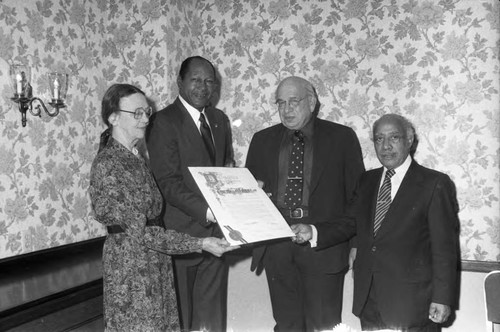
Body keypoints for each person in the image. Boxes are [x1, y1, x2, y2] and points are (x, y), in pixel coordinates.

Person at [292, 114, 460, 331]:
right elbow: (349, 222)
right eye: (379, 139)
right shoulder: (367, 180)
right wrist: (312, 231)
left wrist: (442, 297)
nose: (386, 146)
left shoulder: (434, 183)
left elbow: (444, 248)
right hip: (369, 300)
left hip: (413, 304)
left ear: (410, 140)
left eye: (394, 137)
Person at [89, 83, 236, 332]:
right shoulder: (109, 163)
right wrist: (200, 243)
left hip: (155, 262)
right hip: (132, 270)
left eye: (147, 112)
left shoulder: (135, 158)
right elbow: (142, 232)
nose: (145, 119)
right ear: (112, 117)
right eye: (136, 113)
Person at [245, 76, 365, 331]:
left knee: (323, 325)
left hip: (324, 248)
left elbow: (358, 198)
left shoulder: (342, 138)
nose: (286, 109)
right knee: (286, 325)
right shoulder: (262, 140)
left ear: (311, 103)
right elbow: (249, 196)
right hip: (277, 248)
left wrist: (357, 244)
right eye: (280, 103)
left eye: (293, 102)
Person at [147, 56, 235, 332]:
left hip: (217, 237)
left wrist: (243, 187)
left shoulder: (219, 120)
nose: (203, 86)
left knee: (211, 317)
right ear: (180, 82)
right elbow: (168, 183)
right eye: (195, 79)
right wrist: (209, 212)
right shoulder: (163, 122)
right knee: (182, 318)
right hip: (181, 237)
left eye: (210, 81)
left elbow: (225, 171)